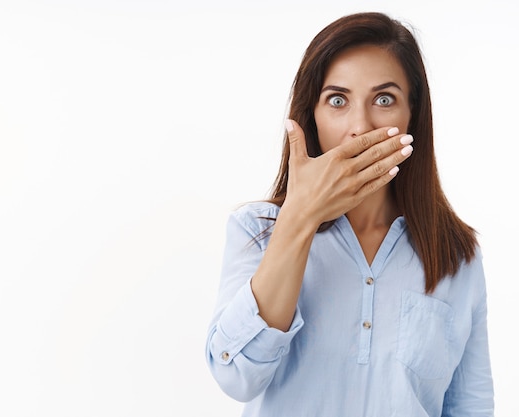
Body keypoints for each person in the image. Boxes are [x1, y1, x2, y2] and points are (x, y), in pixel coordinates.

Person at [205, 11, 494, 417]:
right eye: (337, 100)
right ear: (312, 117)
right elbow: (236, 377)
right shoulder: (257, 230)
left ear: (414, 115)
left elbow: (469, 406)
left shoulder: (457, 256)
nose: (360, 126)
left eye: (384, 99)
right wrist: (300, 218)